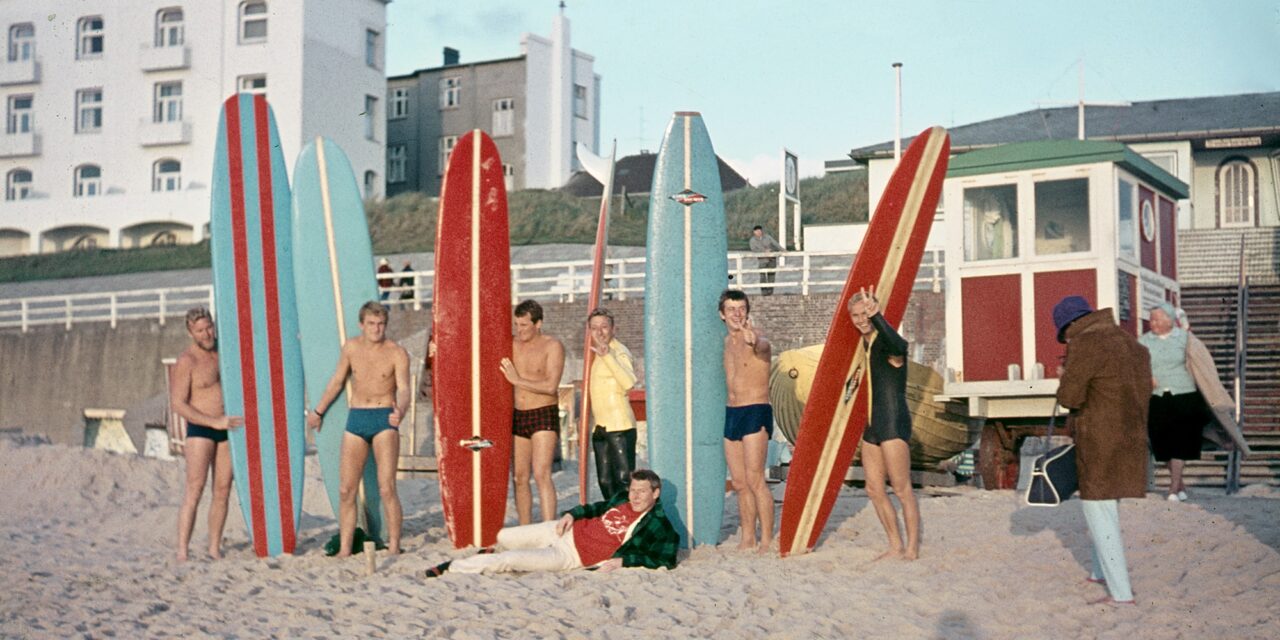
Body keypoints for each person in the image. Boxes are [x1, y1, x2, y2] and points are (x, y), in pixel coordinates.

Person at [1053, 295, 1150, 606]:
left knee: (1098, 508)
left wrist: (1063, 377)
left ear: (1070, 326)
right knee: (1106, 509)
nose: (1066, 341)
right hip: (1131, 439)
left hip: (1099, 442)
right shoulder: (1131, 343)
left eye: (1063, 335)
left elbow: (1070, 397)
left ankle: (1121, 594)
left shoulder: (1085, 343)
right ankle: (1097, 572)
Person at [424, 469, 678, 576]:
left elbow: (664, 560)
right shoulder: (622, 498)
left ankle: (452, 567)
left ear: (655, 493)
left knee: (508, 560)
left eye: (642, 492)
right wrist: (571, 515)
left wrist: (626, 560)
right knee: (503, 536)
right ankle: (492, 548)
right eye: (633, 490)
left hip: (570, 555)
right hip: (564, 530)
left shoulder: (660, 526)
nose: (634, 496)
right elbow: (596, 508)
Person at [306, 301, 410, 555]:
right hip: (357, 418)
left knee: (386, 487)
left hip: (385, 417)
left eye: (381, 324)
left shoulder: (397, 352)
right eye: (372, 324)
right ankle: (344, 548)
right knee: (346, 489)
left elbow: (405, 389)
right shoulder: (351, 348)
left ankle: (395, 545)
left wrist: (401, 411)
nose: (376, 329)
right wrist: (318, 411)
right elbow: (337, 381)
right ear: (361, 325)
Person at [847, 285, 920, 560]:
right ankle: (894, 545)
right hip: (873, 427)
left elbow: (900, 345)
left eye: (865, 313)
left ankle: (911, 549)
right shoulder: (864, 344)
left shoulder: (887, 343)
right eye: (856, 315)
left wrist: (878, 317)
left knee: (901, 489)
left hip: (893, 424)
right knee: (874, 489)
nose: (861, 319)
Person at [173, 307, 244, 561]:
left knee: (222, 489)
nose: (207, 334)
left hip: (227, 427)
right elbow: (178, 404)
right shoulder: (187, 361)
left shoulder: (223, 354)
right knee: (195, 488)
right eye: (200, 330)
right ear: (191, 333)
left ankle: (214, 547)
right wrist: (212, 422)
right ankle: (183, 550)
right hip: (202, 428)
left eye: (209, 327)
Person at [718, 289, 776, 552]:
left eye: (741, 309)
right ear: (722, 314)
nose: (737, 314)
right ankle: (748, 538)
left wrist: (754, 340)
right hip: (732, 413)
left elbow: (762, 346)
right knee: (740, 483)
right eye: (731, 309)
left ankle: (766, 540)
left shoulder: (755, 337)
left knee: (755, 479)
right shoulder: (727, 342)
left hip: (755, 410)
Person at [500, 300, 566, 524]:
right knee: (519, 477)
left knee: (541, 473)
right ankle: (524, 527)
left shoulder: (552, 346)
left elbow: (550, 386)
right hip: (519, 414)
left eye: (524, 325)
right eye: (516, 325)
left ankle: (548, 527)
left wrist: (518, 380)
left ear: (538, 323)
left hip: (543, 412)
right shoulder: (511, 344)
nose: (519, 331)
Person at [1139, 303, 1209, 502]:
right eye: (1151, 319)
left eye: (1159, 319)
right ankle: (1179, 483)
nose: (1154, 323)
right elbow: (1136, 364)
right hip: (1157, 395)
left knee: (1179, 441)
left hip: (1184, 393)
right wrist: (1147, 377)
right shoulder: (1143, 341)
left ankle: (1172, 489)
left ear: (1170, 320)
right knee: (1160, 443)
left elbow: (1199, 359)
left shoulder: (1184, 338)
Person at [585, 308, 639, 501]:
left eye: (604, 327)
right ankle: (614, 519)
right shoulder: (593, 354)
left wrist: (608, 356)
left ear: (613, 329)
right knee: (605, 481)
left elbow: (629, 381)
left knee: (624, 480)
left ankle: (628, 521)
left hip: (619, 426)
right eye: (594, 328)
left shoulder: (619, 351)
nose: (599, 332)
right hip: (600, 426)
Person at [749, 225, 783, 296]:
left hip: (772, 259)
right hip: (762, 260)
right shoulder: (752, 240)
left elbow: (775, 244)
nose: (759, 232)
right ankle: (764, 292)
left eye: (760, 231)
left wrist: (783, 250)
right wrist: (764, 251)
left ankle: (770, 292)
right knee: (762, 276)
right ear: (754, 232)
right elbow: (754, 250)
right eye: (757, 231)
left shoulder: (768, 237)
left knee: (771, 276)